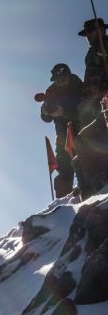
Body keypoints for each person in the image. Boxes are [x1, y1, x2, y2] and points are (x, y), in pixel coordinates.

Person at [38, 63, 84, 197]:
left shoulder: (79, 86)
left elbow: (86, 109)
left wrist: (64, 112)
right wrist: (45, 111)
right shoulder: (51, 91)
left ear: (68, 76)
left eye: (63, 78)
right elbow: (46, 118)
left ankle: (89, 190)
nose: (60, 82)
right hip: (63, 137)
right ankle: (63, 202)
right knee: (63, 169)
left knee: (87, 163)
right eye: (57, 80)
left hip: (83, 132)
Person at [78, 18, 108, 125]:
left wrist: (84, 106)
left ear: (102, 30)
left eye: (90, 31)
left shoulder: (95, 51)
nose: (88, 36)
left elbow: (92, 82)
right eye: (86, 33)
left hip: (102, 104)